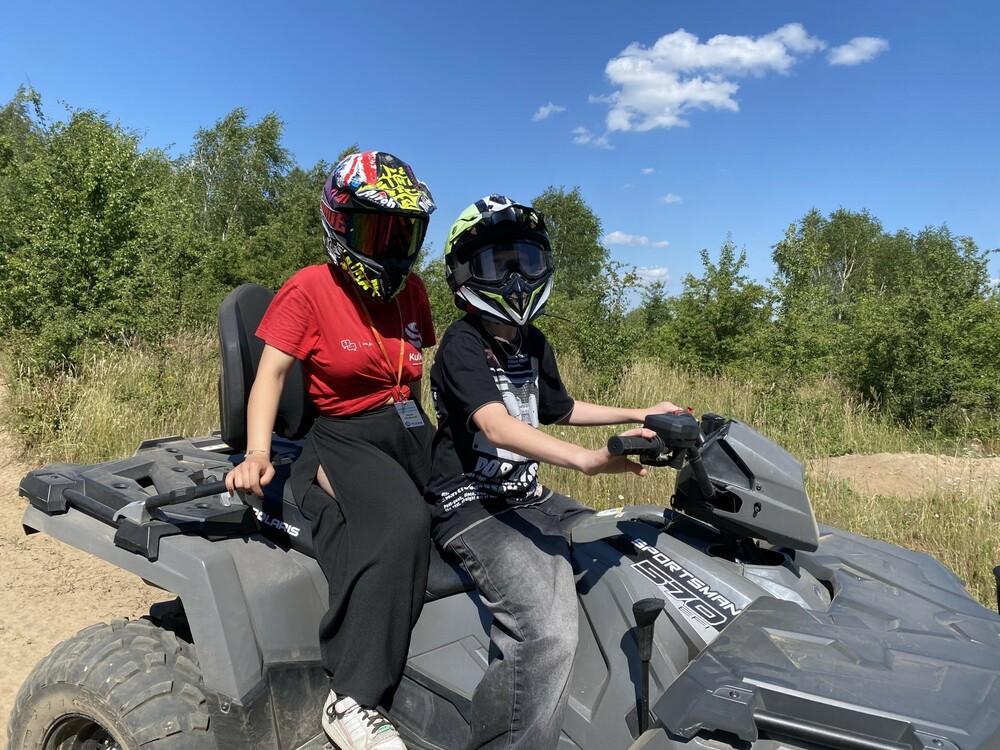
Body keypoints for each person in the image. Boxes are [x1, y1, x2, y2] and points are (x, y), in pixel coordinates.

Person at [425, 194, 683, 750]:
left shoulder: (531, 341)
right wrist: (585, 460)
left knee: (633, 546)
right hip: (471, 507)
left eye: (525, 261)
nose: (515, 278)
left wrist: (639, 413)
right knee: (547, 632)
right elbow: (495, 425)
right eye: (497, 265)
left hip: (529, 496)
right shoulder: (462, 343)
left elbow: (559, 409)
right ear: (466, 273)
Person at [225, 150, 437, 750]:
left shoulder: (413, 290)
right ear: (339, 223)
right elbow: (270, 376)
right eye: (377, 231)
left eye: (403, 233)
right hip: (343, 431)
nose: (391, 247)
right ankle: (352, 697)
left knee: (468, 500)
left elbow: (412, 376)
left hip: (405, 424)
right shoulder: (310, 288)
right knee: (402, 524)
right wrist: (258, 453)